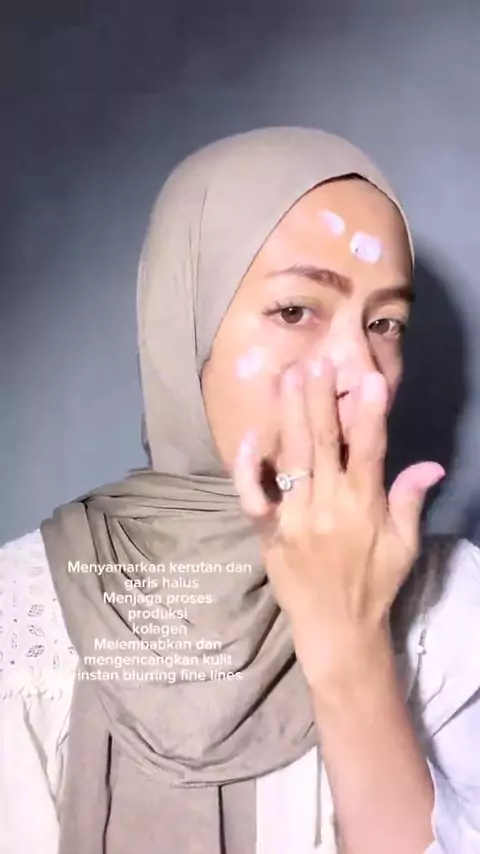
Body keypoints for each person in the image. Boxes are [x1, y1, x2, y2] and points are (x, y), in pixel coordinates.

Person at [0, 127, 479, 854]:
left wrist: (349, 648)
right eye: (295, 311)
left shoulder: (452, 612)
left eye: (385, 324)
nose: (365, 377)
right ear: (184, 324)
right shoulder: (22, 617)